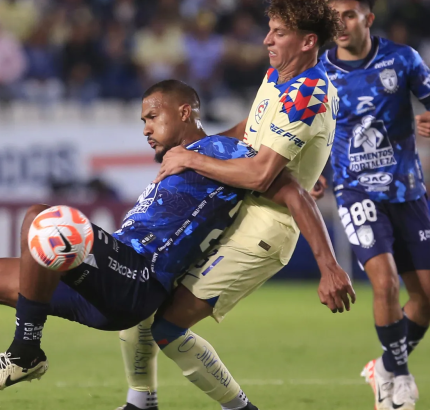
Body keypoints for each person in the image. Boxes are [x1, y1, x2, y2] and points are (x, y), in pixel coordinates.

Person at [0, 80, 351, 410]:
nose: (145, 128)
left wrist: (328, 263)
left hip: (138, 281)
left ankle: (26, 349)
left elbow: (290, 191)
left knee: (44, 220)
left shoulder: (226, 155)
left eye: (151, 117)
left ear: (184, 111)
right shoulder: (196, 152)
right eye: (141, 122)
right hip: (107, 282)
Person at [115, 1, 350, 409]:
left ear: (308, 41)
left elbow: (262, 175)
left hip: (264, 231)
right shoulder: (277, 76)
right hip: (235, 209)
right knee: (142, 296)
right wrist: (199, 147)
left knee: (168, 326)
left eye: (278, 32)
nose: (266, 40)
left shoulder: (308, 93)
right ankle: (140, 402)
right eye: (270, 29)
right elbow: (247, 130)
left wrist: (190, 158)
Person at [321, 1, 430, 409]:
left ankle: (384, 367)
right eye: (332, 17)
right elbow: (303, 130)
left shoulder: (402, 58)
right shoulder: (319, 74)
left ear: (367, 18)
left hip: (407, 189)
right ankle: (398, 376)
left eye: (347, 14)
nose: (339, 24)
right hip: (355, 191)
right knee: (386, 282)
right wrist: (311, 174)